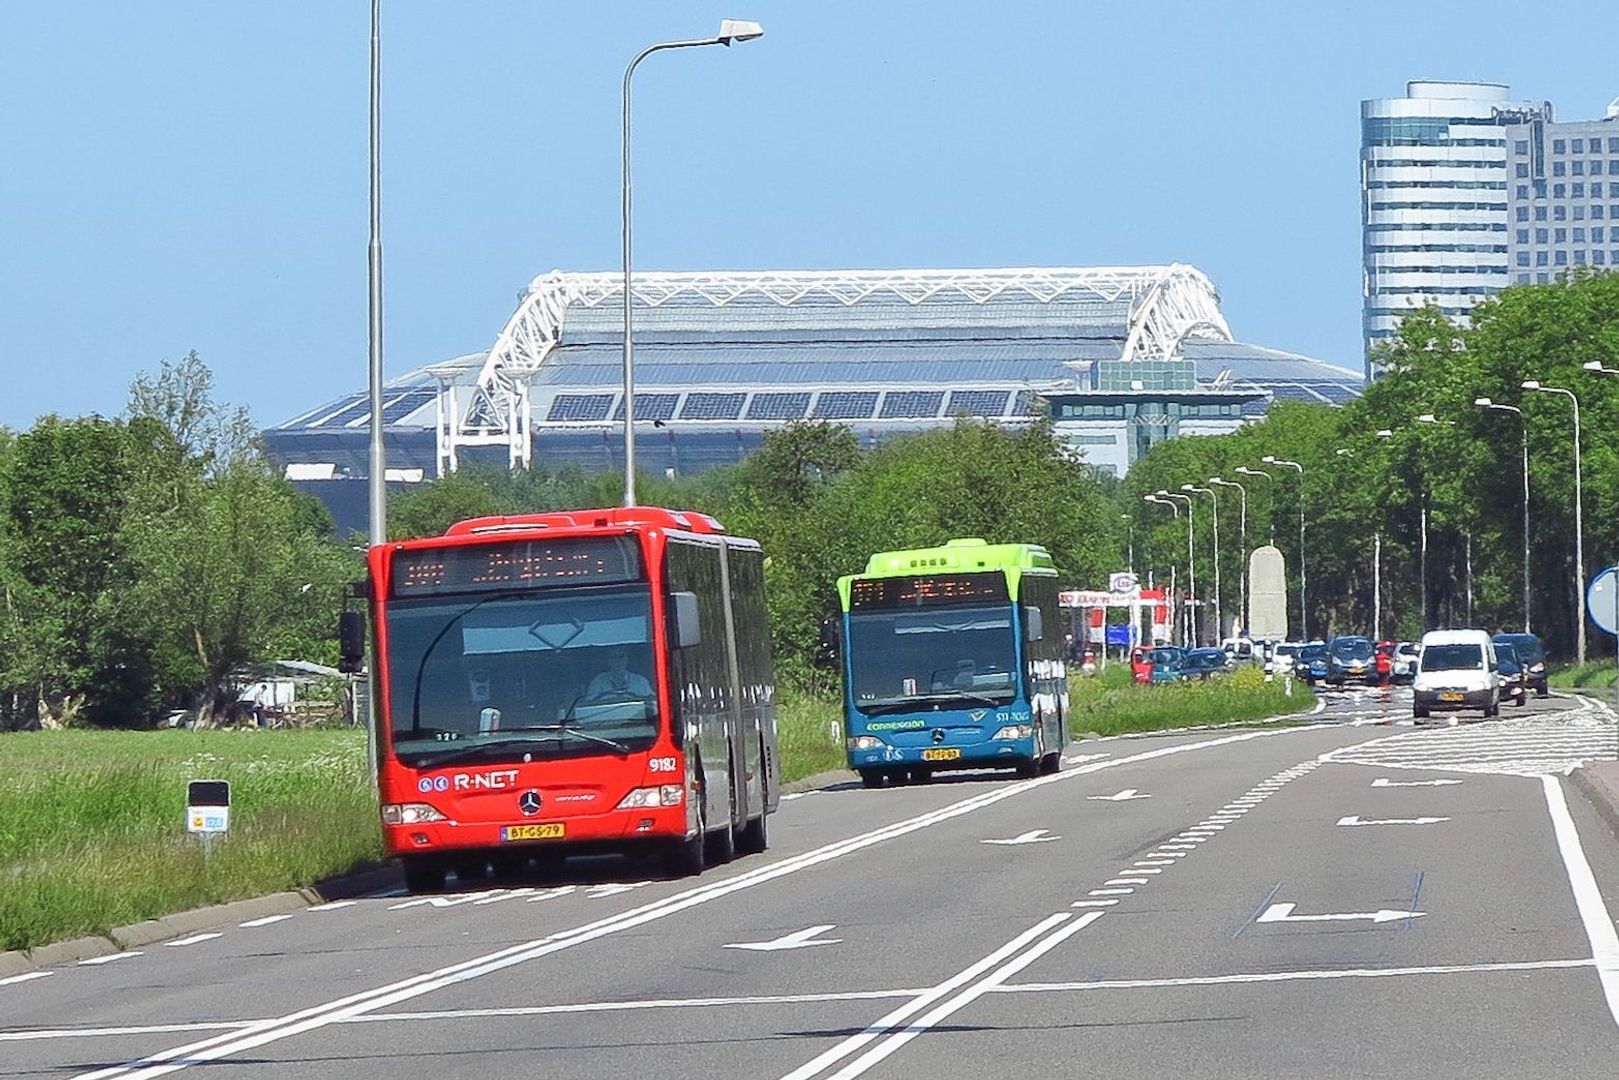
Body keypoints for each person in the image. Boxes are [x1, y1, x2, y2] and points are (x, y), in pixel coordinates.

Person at [584, 646, 653, 700]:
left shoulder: (640, 682)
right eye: (613, 657)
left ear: (627, 659)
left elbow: (652, 704)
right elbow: (588, 704)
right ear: (608, 660)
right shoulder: (598, 682)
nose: (618, 661)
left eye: (621, 657)